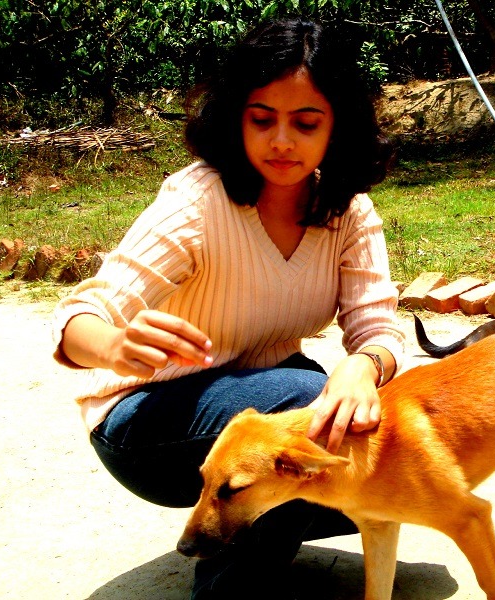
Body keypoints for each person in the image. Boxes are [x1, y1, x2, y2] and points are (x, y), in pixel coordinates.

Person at [51, 18, 404, 599]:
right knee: (303, 405)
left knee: (356, 423)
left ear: (337, 128)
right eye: (262, 120)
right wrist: (113, 345)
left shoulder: (348, 212)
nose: (282, 141)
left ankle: (255, 538)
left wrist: (365, 365)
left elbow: (377, 325)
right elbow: (84, 311)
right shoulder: (199, 200)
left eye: (306, 123)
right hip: (143, 421)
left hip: (257, 402)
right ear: (236, 119)